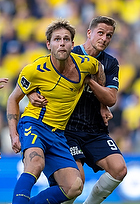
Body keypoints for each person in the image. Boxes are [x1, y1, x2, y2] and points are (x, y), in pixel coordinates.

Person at [28, 16, 127, 204]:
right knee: (75, 183)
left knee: (119, 169)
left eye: (109, 35)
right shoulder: (69, 52)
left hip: (95, 130)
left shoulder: (110, 63)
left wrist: (89, 79)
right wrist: (31, 93)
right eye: (100, 33)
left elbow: (111, 98)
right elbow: (35, 72)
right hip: (66, 129)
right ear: (89, 33)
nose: (104, 38)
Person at [7, 19, 105, 204]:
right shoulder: (35, 70)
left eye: (66, 39)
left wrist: (102, 104)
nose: (62, 43)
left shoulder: (85, 64)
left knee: (74, 187)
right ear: (48, 44)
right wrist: (14, 134)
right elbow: (13, 99)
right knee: (35, 164)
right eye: (57, 39)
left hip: (58, 134)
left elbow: (98, 69)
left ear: (72, 44)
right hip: (34, 124)